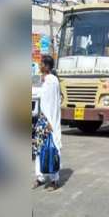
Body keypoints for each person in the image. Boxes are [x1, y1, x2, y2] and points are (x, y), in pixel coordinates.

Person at [32, 55, 62, 191]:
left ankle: (54, 178)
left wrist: (50, 121)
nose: (40, 66)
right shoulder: (45, 80)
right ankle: (40, 177)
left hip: (48, 120)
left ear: (47, 66)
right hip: (42, 119)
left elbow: (53, 103)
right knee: (39, 149)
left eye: (42, 64)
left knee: (51, 148)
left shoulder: (52, 81)